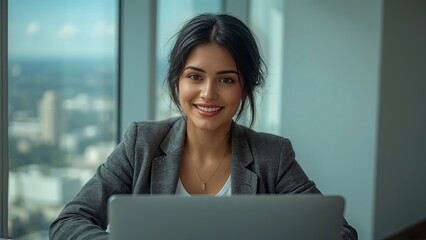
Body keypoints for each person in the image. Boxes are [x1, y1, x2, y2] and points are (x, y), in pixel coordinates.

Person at [49, 13, 358, 239]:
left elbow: (341, 232)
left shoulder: (272, 156)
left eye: (226, 79)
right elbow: (69, 222)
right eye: (195, 76)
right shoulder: (140, 143)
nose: (208, 93)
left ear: (245, 88)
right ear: (177, 82)